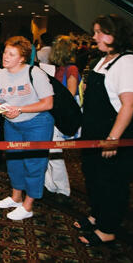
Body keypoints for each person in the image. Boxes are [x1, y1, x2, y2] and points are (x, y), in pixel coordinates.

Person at [76, 14, 133, 246]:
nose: (94, 37)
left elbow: (129, 104)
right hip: (95, 133)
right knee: (94, 176)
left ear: (115, 34)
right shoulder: (103, 59)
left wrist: (113, 138)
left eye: (100, 32)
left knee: (112, 182)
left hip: (116, 134)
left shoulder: (129, 62)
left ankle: (107, 228)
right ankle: (97, 215)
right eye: (95, 31)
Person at [0, 36, 54, 220]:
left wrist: (20, 109)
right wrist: (5, 112)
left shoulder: (35, 73)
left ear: (22, 58)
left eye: (11, 54)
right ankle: (16, 197)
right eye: (5, 52)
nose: (6, 56)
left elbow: (48, 103)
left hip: (37, 123)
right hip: (12, 124)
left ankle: (28, 205)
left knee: (34, 164)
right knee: (15, 161)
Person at [44, 35, 78, 197]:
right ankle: (51, 184)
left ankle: (63, 189)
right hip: (53, 112)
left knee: (54, 152)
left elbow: (70, 95)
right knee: (49, 151)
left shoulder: (71, 69)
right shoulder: (58, 68)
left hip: (61, 114)